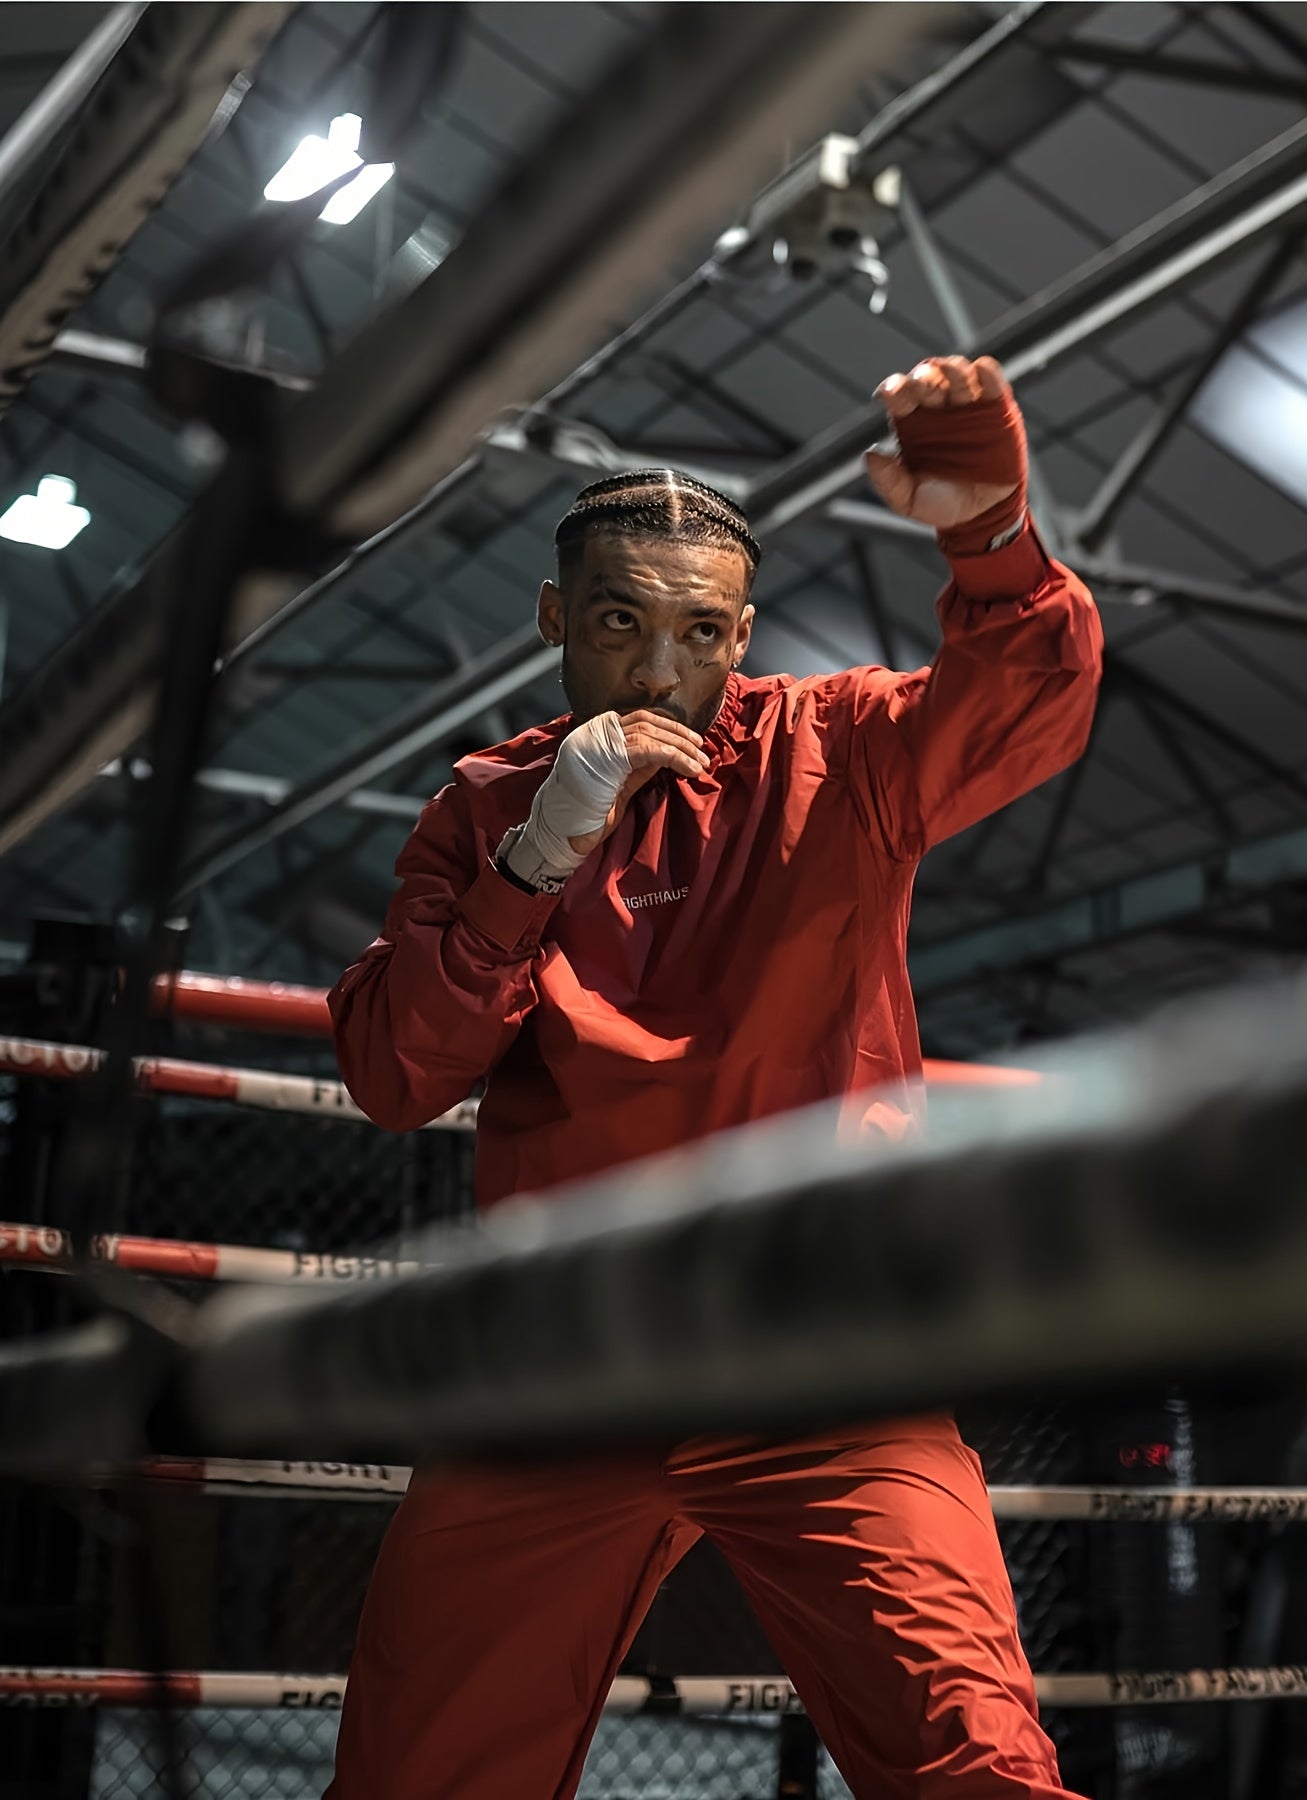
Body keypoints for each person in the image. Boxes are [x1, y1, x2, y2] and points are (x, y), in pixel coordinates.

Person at [327, 355, 1103, 1799]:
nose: (662, 672)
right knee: (416, 1780)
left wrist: (988, 534)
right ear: (560, 621)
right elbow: (393, 1072)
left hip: (818, 1353)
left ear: (741, 636)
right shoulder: (485, 804)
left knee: (975, 1762)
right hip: (557, 1368)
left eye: (700, 633)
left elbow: (1026, 706)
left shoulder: (837, 752)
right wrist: (533, 860)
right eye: (621, 626)